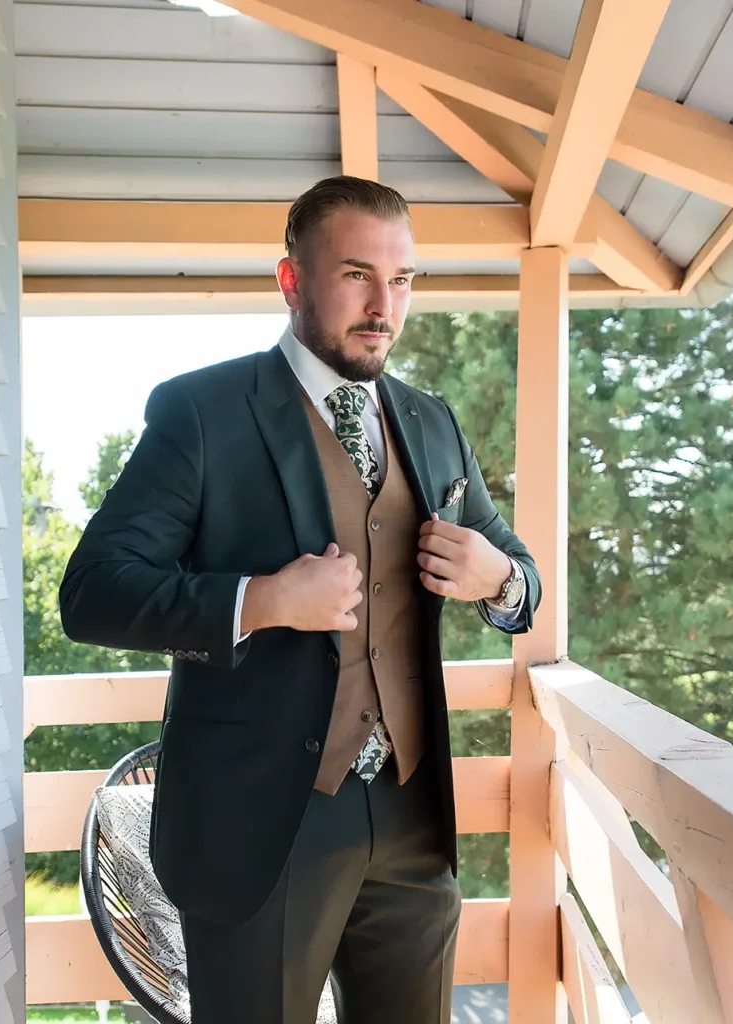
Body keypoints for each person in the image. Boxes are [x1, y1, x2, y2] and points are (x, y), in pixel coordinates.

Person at [59, 176, 541, 1024]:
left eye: (401, 281)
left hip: (409, 815)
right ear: (291, 281)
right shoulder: (203, 412)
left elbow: (523, 576)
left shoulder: (432, 424)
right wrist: (262, 600)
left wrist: (496, 581)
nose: (382, 305)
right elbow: (93, 593)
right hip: (263, 825)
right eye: (357, 275)